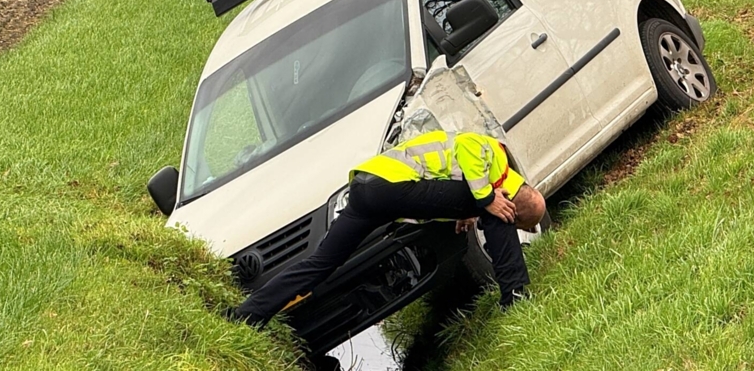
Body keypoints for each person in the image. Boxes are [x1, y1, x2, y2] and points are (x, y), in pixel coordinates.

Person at [228, 130, 546, 326]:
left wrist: (468, 208)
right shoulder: (497, 156)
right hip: (394, 188)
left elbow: (444, 184)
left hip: (366, 189)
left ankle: (245, 315)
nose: (512, 222)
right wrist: (488, 199)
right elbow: (465, 147)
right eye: (519, 220)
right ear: (523, 197)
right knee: (496, 207)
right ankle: (516, 296)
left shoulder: (485, 177)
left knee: (319, 264)